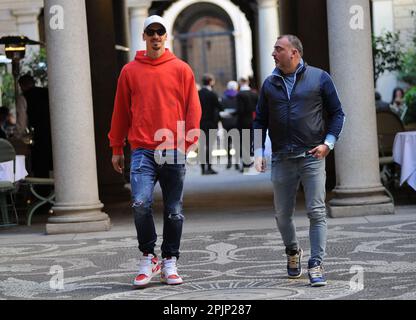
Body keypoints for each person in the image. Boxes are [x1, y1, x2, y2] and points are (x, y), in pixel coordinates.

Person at [108, 15, 201, 288]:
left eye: (160, 32)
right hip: (142, 150)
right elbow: (120, 112)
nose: (156, 36)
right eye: (151, 32)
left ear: (166, 36)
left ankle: (170, 259)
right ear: (144, 36)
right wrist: (116, 148)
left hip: (172, 148)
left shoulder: (182, 69)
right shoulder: (129, 71)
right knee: (139, 203)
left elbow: (192, 108)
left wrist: (187, 143)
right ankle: (149, 256)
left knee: (174, 210)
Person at [253, 35, 345, 287]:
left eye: (278, 49)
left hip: (312, 155)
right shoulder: (270, 83)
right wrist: (258, 152)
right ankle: (293, 251)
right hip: (282, 156)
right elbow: (259, 120)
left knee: (316, 211)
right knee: (282, 215)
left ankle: (316, 263)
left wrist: (328, 143)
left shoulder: (319, 77)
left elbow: (338, 113)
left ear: (294, 53)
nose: (273, 53)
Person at [18, 74, 53, 179]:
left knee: (41, 170)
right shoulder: (48, 93)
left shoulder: (24, 97)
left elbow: (21, 124)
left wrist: (19, 137)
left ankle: (41, 193)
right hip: (55, 135)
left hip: (39, 138)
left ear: (22, 86)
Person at [198, 73, 222, 175]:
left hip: (200, 123)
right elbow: (220, 107)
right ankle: (209, 167)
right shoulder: (212, 94)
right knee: (209, 146)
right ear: (211, 81)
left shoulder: (198, 93)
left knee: (202, 145)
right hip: (211, 123)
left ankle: (203, 168)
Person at [236, 77, 258, 172]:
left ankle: (245, 163)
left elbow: (240, 110)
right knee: (251, 141)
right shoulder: (254, 93)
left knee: (244, 143)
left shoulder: (240, 94)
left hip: (243, 121)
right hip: (253, 120)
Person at [221, 80, 239, 170]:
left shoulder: (224, 97)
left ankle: (229, 161)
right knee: (236, 143)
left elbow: (221, 110)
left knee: (228, 143)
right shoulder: (239, 96)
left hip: (226, 122)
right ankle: (236, 162)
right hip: (236, 122)